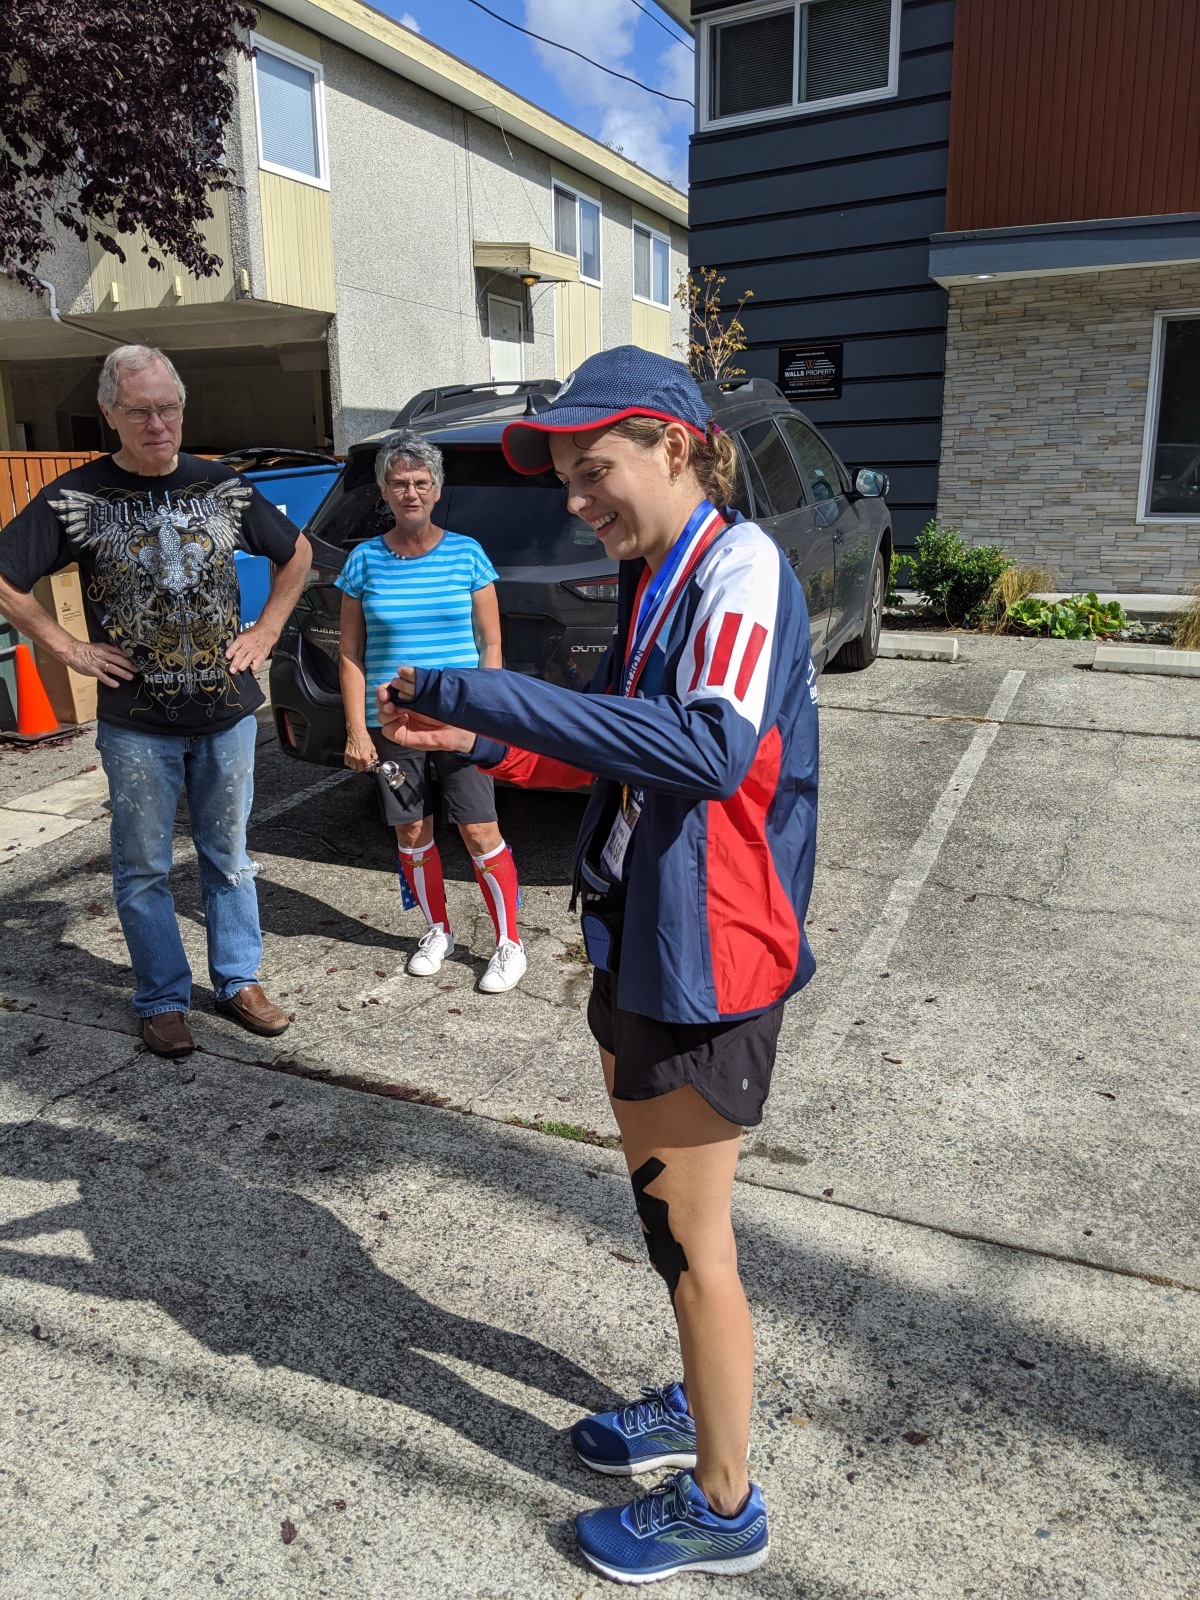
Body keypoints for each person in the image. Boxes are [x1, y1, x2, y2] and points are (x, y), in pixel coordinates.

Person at [376, 346, 820, 1584]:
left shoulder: (741, 567)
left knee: (694, 1242)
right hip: (652, 931)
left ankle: (726, 1504)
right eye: (568, 476)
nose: (577, 498)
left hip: (711, 956)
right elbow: (622, 752)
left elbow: (707, 749)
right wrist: (487, 739)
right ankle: (697, 1399)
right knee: (666, 1226)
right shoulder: (658, 574)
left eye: (595, 469)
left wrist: (488, 692)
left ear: (679, 446)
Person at [0, 344, 312, 1058]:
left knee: (229, 855)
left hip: (227, 714)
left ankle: (239, 981)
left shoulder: (223, 487)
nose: (156, 423)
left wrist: (266, 629)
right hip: (137, 723)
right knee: (141, 865)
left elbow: (296, 552)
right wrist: (66, 647)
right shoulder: (75, 498)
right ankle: (163, 998)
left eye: (167, 407)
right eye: (138, 410)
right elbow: (6, 573)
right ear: (110, 413)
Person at [336, 431, 526, 994]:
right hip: (392, 722)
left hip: (459, 718)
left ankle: (508, 943)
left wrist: (487, 715)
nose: (411, 492)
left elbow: (491, 645)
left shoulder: (468, 554)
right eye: (400, 483)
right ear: (384, 492)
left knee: (478, 826)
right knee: (411, 826)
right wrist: (356, 729)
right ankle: (436, 929)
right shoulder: (363, 561)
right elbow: (350, 652)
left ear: (437, 490)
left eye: (421, 483)